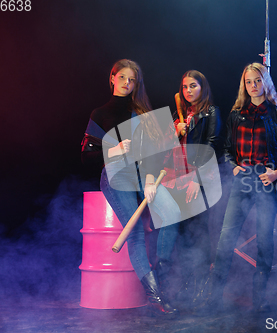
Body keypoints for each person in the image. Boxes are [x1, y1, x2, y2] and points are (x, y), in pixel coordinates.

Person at [81, 59, 181, 315]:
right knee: (135, 231)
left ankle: (160, 272)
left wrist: (149, 180)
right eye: (122, 77)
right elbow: (86, 156)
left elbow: (153, 153)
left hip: (144, 176)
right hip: (116, 176)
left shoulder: (142, 113)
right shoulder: (99, 114)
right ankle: (157, 295)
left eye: (132, 79)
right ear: (112, 78)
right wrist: (112, 150)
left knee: (172, 214)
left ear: (137, 83)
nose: (127, 83)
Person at [204, 62, 277, 313]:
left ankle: (260, 298)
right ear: (243, 85)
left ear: (265, 82)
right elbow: (226, 149)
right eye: (248, 81)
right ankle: (213, 298)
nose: (253, 85)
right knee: (226, 239)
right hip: (243, 180)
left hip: (268, 181)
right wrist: (233, 165)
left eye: (258, 80)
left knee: (265, 241)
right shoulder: (236, 114)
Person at [156, 70, 222, 309]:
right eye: (185, 87)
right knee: (183, 235)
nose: (188, 91)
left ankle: (202, 288)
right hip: (176, 180)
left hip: (198, 180)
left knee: (199, 233)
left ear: (202, 87)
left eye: (193, 86)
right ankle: (186, 285)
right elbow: (166, 146)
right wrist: (176, 131)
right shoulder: (179, 114)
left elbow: (212, 145)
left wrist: (197, 178)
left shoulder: (211, 112)